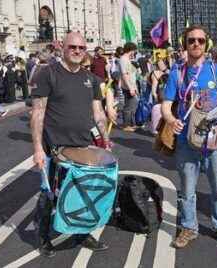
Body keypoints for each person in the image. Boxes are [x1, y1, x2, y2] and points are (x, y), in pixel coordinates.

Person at [30, 32, 110, 257]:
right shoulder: (48, 74)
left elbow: (98, 112)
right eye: (72, 47)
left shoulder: (90, 78)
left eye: (81, 48)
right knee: (50, 195)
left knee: (82, 193)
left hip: (83, 148)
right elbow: (38, 113)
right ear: (63, 48)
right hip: (54, 150)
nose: (77, 51)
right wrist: (37, 149)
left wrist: (105, 140)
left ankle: (82, 234)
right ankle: (43, 237)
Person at [161, 25, 217, 249]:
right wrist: (171, 120)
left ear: (207, 44)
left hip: (214, 141)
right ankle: (189, 227)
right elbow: (166, 106)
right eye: (191, 40)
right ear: (185, 44)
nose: (196, 44)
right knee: (186, 191)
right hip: (186, 142)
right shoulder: (177, 72)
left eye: (200, 41)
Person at [119, 42, 139, 132]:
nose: (134, 53)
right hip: (127, 87)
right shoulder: (123, 59)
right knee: (129, 105)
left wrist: (134, 87)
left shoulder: (127, 59)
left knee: (132, 104)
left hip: (131, 85)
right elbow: (125, 75)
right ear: (130, 50)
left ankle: (130, 124)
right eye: (134, 51)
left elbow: (131, 74)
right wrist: (130, 87)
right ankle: (126, 125)